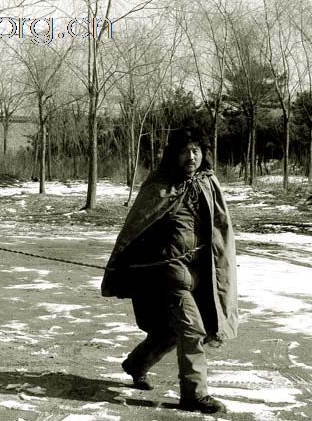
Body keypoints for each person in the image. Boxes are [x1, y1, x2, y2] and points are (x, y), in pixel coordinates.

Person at [101, 128, 238, 414]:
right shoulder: (160, 186)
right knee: (191, 330)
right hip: (168, 274)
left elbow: (220, 230)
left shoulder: (207, 183)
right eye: (185, 150)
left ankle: (136, 364)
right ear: (174, 154)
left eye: (197, 150)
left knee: (168, 333)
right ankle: (195, 395)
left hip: (201, 272)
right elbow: (137, 229)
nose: (192, 156)